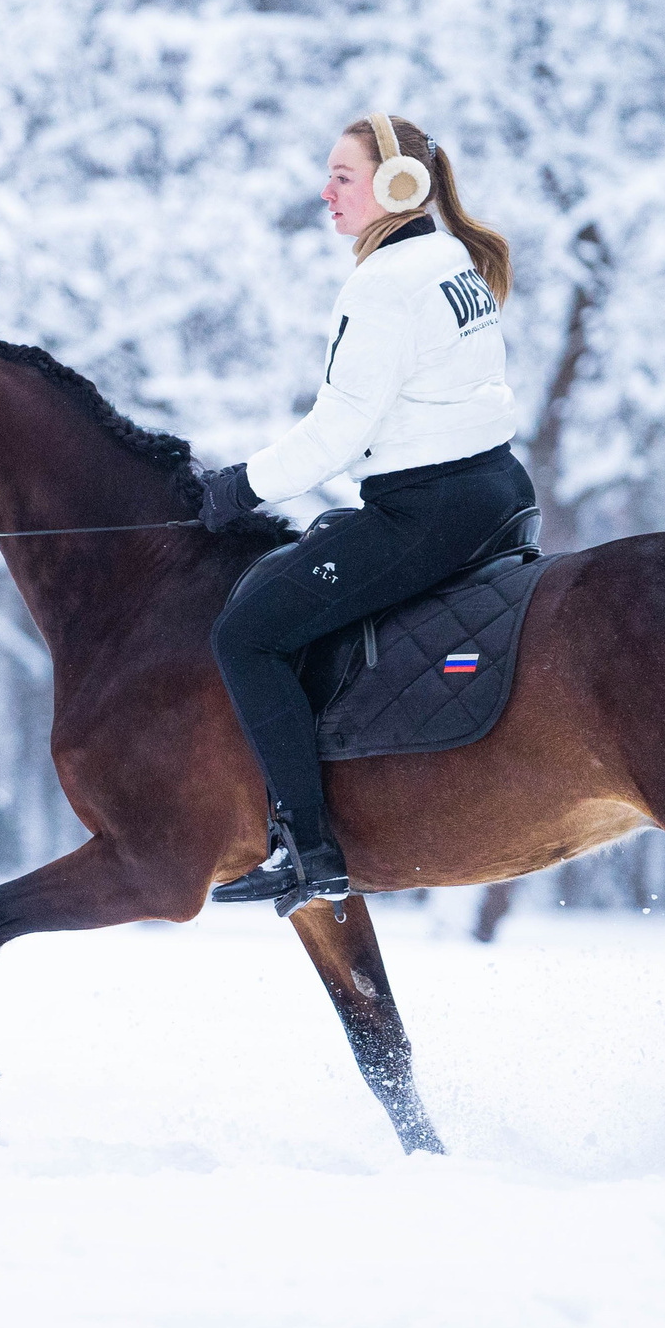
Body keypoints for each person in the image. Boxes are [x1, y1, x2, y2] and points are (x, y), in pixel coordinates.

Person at [197, 113, 538, 914]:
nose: (327, 193)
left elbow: (341, 428)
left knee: (247, 634)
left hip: (428, 513)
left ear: (397, 186)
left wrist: (242, 487)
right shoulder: (447, 256)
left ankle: (308, 848)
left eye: (342, 177)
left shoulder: (384, 282)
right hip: (497, 490)